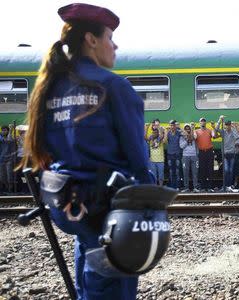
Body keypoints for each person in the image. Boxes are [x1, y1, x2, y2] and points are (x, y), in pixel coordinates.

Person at [17, 4, 155, 299]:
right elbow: (138, 158)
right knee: (111, 289)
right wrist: (151, 204)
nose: (114, 45)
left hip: (68, 205)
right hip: (106, 210)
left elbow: (44, 154)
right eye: (109, 37)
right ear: (91, 40)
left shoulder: (49, 89)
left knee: (87, 275)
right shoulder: (113, 87)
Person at [215, 116, 239, 192]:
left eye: (229, 125)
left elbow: (237, 137)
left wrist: (234, 127)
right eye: (226, 125)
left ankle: (229, 186)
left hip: (232, 154)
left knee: (231, 170)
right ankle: (225, 186)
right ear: (225, 125)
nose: (227, 126)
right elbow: (216, 129)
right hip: (225, 154)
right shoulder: (223, 132)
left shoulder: (233, 132)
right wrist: (219, 120)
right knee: (226, 170)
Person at [195, 117, 216, 192]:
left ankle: (210, 187)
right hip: (201, 152)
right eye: (201, 121)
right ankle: (203, 187)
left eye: (204, 121)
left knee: (210, 169)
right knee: (202, 170)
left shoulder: (209, 130)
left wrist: (213, 127)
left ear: (205, 123)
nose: (203, 123)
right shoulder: (196, 131)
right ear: (199, 123)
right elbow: (193, 138)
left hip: (209, 151)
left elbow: (214, 136)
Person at [179, 123, 200, 192]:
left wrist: (192, 130)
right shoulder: (181, 137)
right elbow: (181, 146)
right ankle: (186, 188)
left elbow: (195, 137)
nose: (187, 130)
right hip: (185, 156)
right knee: (185, 173)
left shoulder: (193, 134)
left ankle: (195, 187)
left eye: (188, 128)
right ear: (184, 130)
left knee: (195, 173)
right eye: (186, 129)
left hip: (194, 156)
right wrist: (187, 140)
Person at [164, 120, 182, 189]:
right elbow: (165, 141)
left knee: (177, 171)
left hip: (177, 154)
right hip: (170, 154)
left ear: (175, 126)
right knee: (171, 171)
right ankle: (172, 186)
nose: (171, 127)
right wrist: (165, 132)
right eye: (170, 125)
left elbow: (185, 134)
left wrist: (179, 128)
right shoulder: (168, 133)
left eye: (173, 125)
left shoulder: (179, 132)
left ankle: (177, 187)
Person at [0, 125, 15, 194]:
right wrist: (11, 130)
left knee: (9, 175)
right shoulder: (0, 137)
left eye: (5, 130)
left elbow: (9, 140)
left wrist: (11, 130)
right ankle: (6, 188)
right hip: (2, 159)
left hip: (9, 159)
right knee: (2, 176)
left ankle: (10, 188)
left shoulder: (10, 136)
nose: (3, 131)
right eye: (2, 130)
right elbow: (4, 140)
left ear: (7, 131)